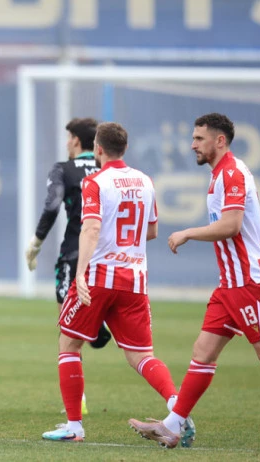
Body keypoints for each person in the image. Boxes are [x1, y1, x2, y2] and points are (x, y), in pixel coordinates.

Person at [129, 113, 260, 453]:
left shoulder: (231, 173)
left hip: (246, 283)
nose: (192, 145)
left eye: (199, 138)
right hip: (230, 285)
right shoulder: (225, 173)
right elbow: (259, 222)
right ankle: (172, 426)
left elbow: (232, 225)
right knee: (203, 351)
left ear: (220, 140)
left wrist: (188, 232)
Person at [42, 122, 193, 445]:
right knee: (141, 356)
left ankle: (74, 427)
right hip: (134, 280)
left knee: (69, 344)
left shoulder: (95, 182)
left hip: (99, 277)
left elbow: (91, 229)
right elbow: (151, 231)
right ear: (124, 148)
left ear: (98, 149)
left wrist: (80, 272)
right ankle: (177, 408)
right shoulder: (145, 181)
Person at [25, 118, 110, 415]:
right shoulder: (109, 171)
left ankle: (78, 400)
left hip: (75, 254)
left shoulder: (64, 169)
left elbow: (52, 206)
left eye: (68, 138)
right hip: (109, 257)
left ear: (75, 140)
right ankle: (98, 323)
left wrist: (36, 243)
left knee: (68, 329)